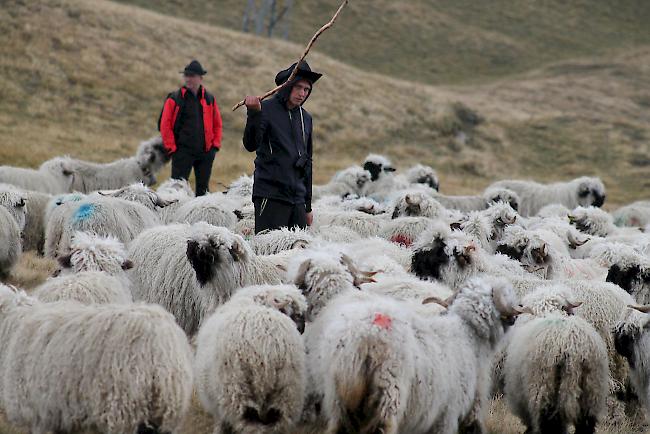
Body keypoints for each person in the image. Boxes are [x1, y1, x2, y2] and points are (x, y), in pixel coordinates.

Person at [243, 60, 321, 234]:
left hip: (297, 200)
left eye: (306, 89)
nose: (302, 93)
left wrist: (307, 206)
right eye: (298, 87)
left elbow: (307, 163)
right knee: (270, 253)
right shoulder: (265, 109)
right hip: (271, 196)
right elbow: (250, 144)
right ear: (287, 86)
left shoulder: (306, 118)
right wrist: (254, 113)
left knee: (298, 255)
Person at [160, 60, 222, 196]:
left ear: (200, 78)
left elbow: (217, 123)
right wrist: (172, 149)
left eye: (192, 76)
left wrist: (214, 146)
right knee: (176, 191)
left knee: (203, 191)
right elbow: (165, 125)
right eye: (186, 75)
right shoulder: (175, 98)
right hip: (182, 152)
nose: (188, 79)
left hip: (205, 153)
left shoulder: (209, 98)